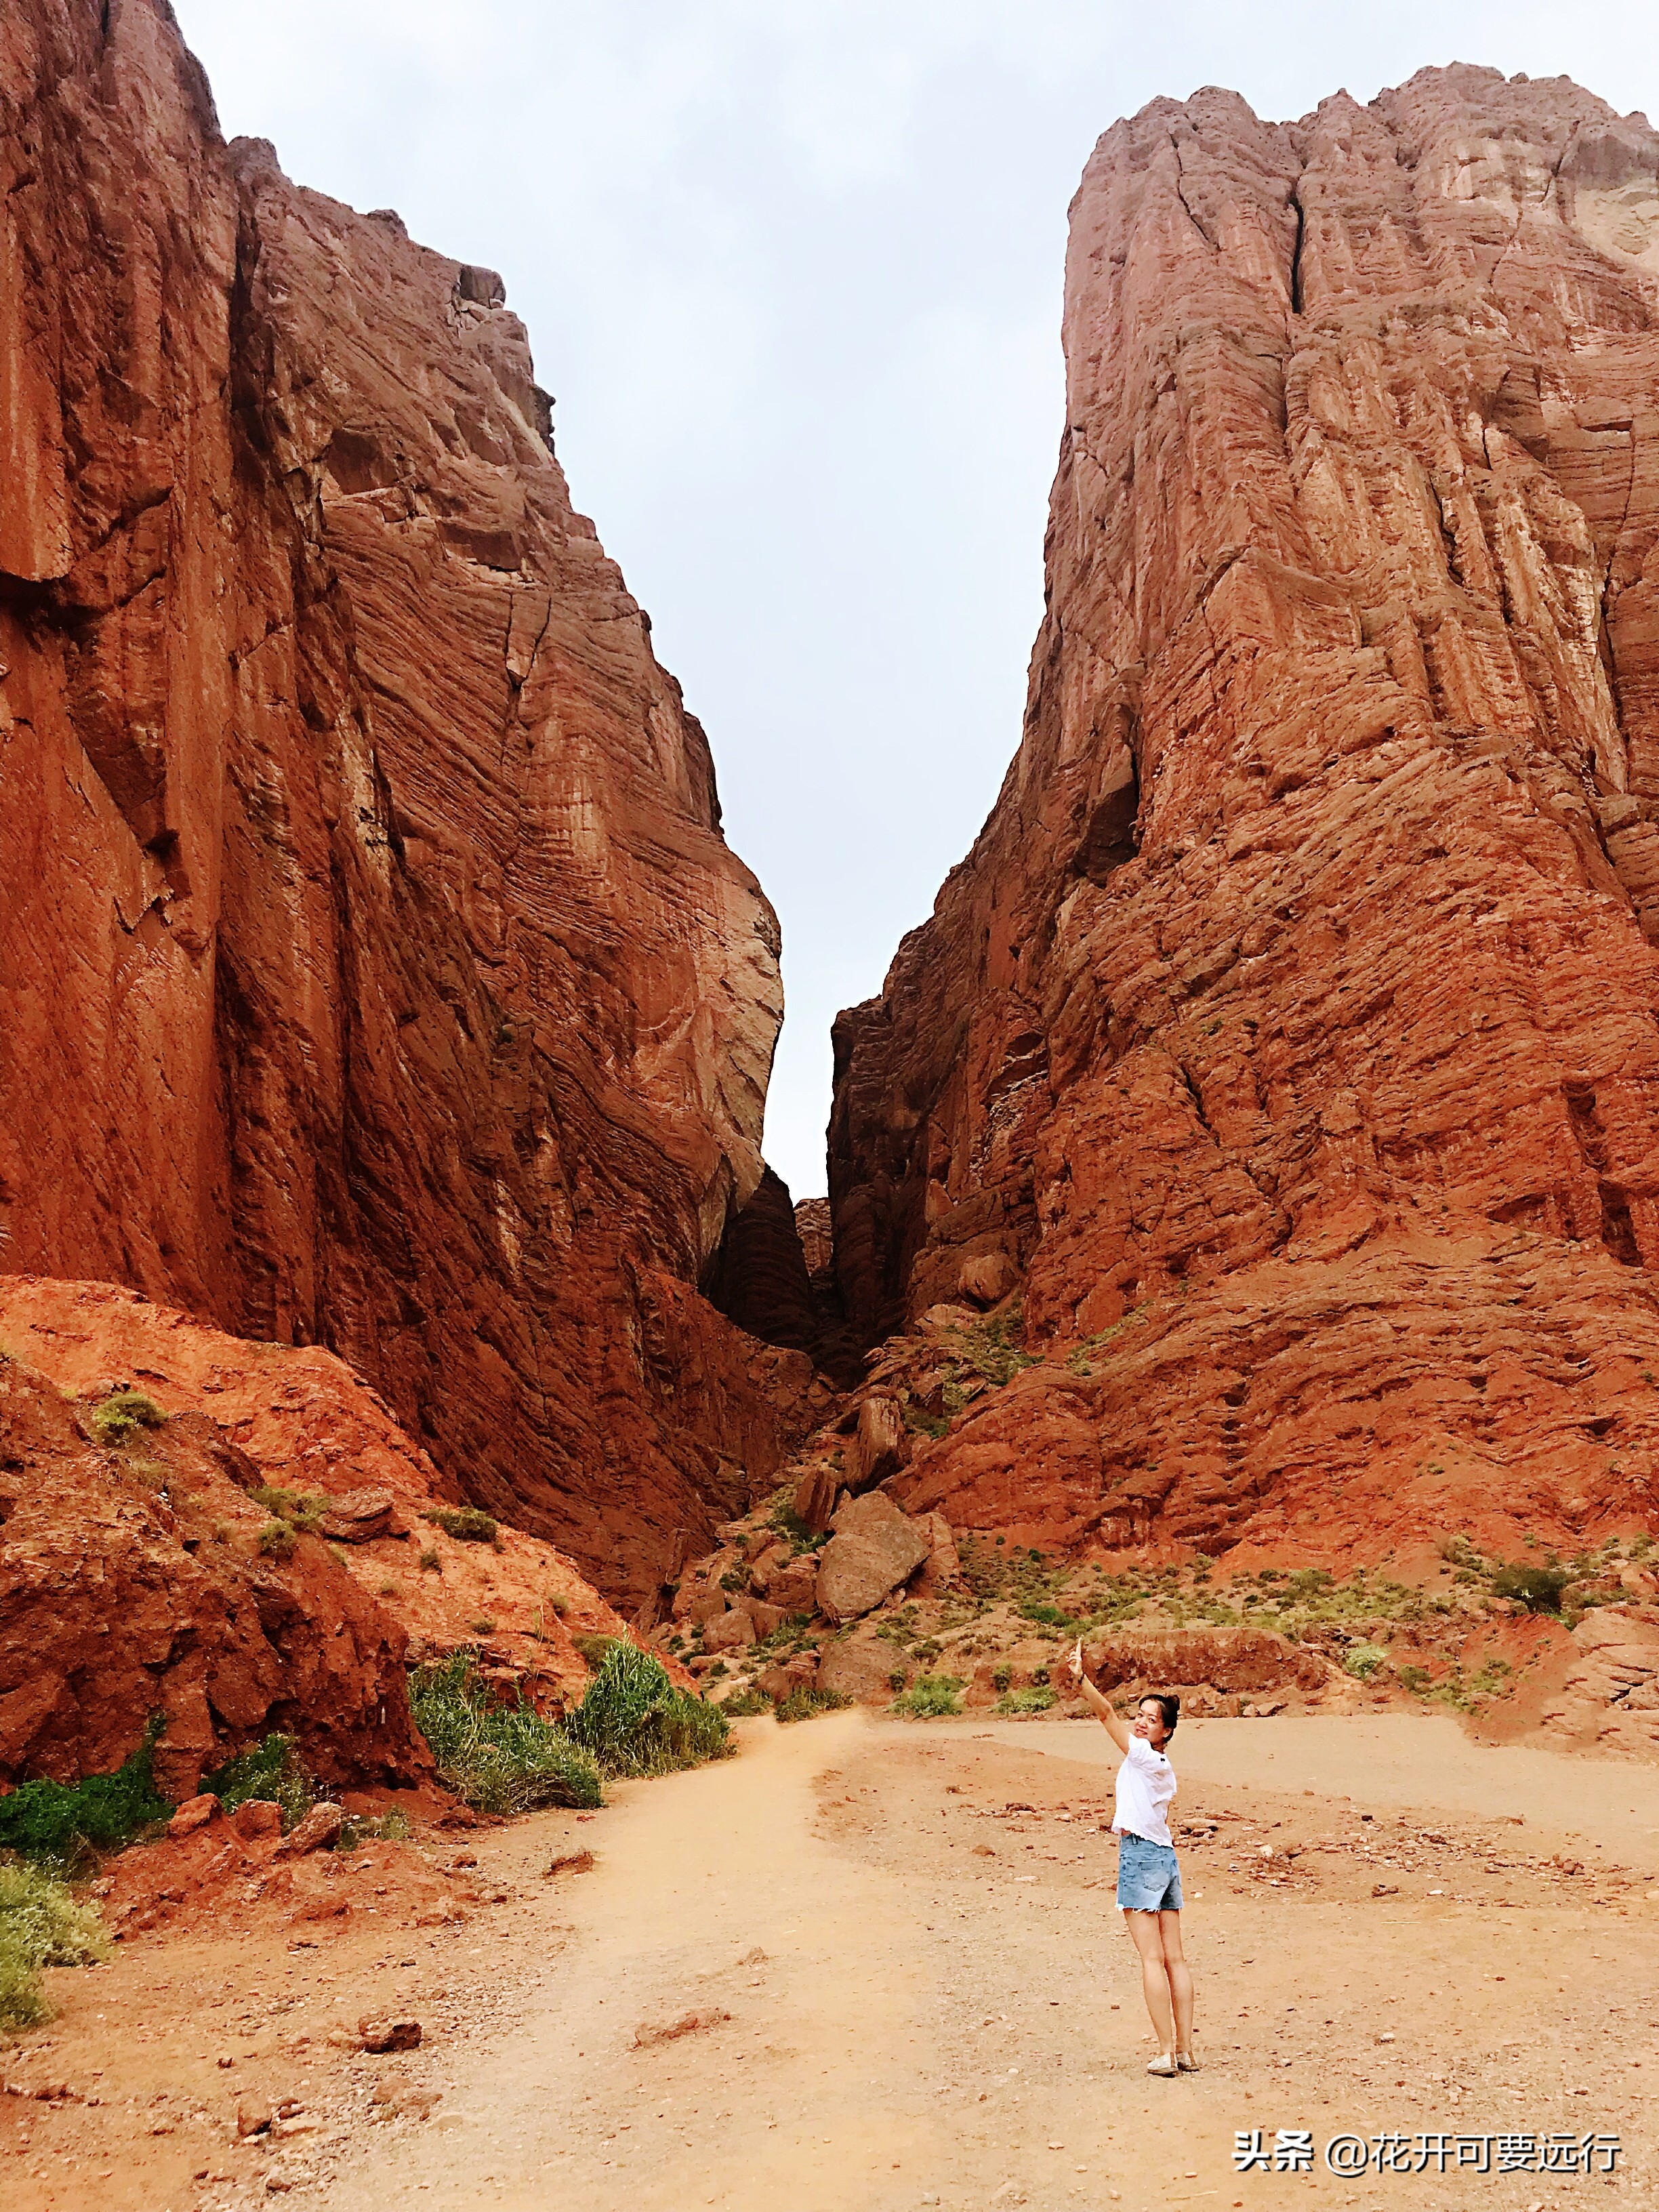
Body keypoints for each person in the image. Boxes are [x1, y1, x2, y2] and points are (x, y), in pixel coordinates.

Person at [1065, 1639, 1196, 2077]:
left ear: (1166, 1732)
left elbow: (1106, 1714)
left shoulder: (1142, 1755)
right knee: (1175, 1958)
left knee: (1152, 1958)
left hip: (1141, 1856)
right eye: (1139, 1715)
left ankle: (1166, 2052)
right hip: (1166, 1857)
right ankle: (1185, 2050)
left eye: (1151, 1719)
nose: (1140, 1723)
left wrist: (1082, 1680)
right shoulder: (1163, 1767)